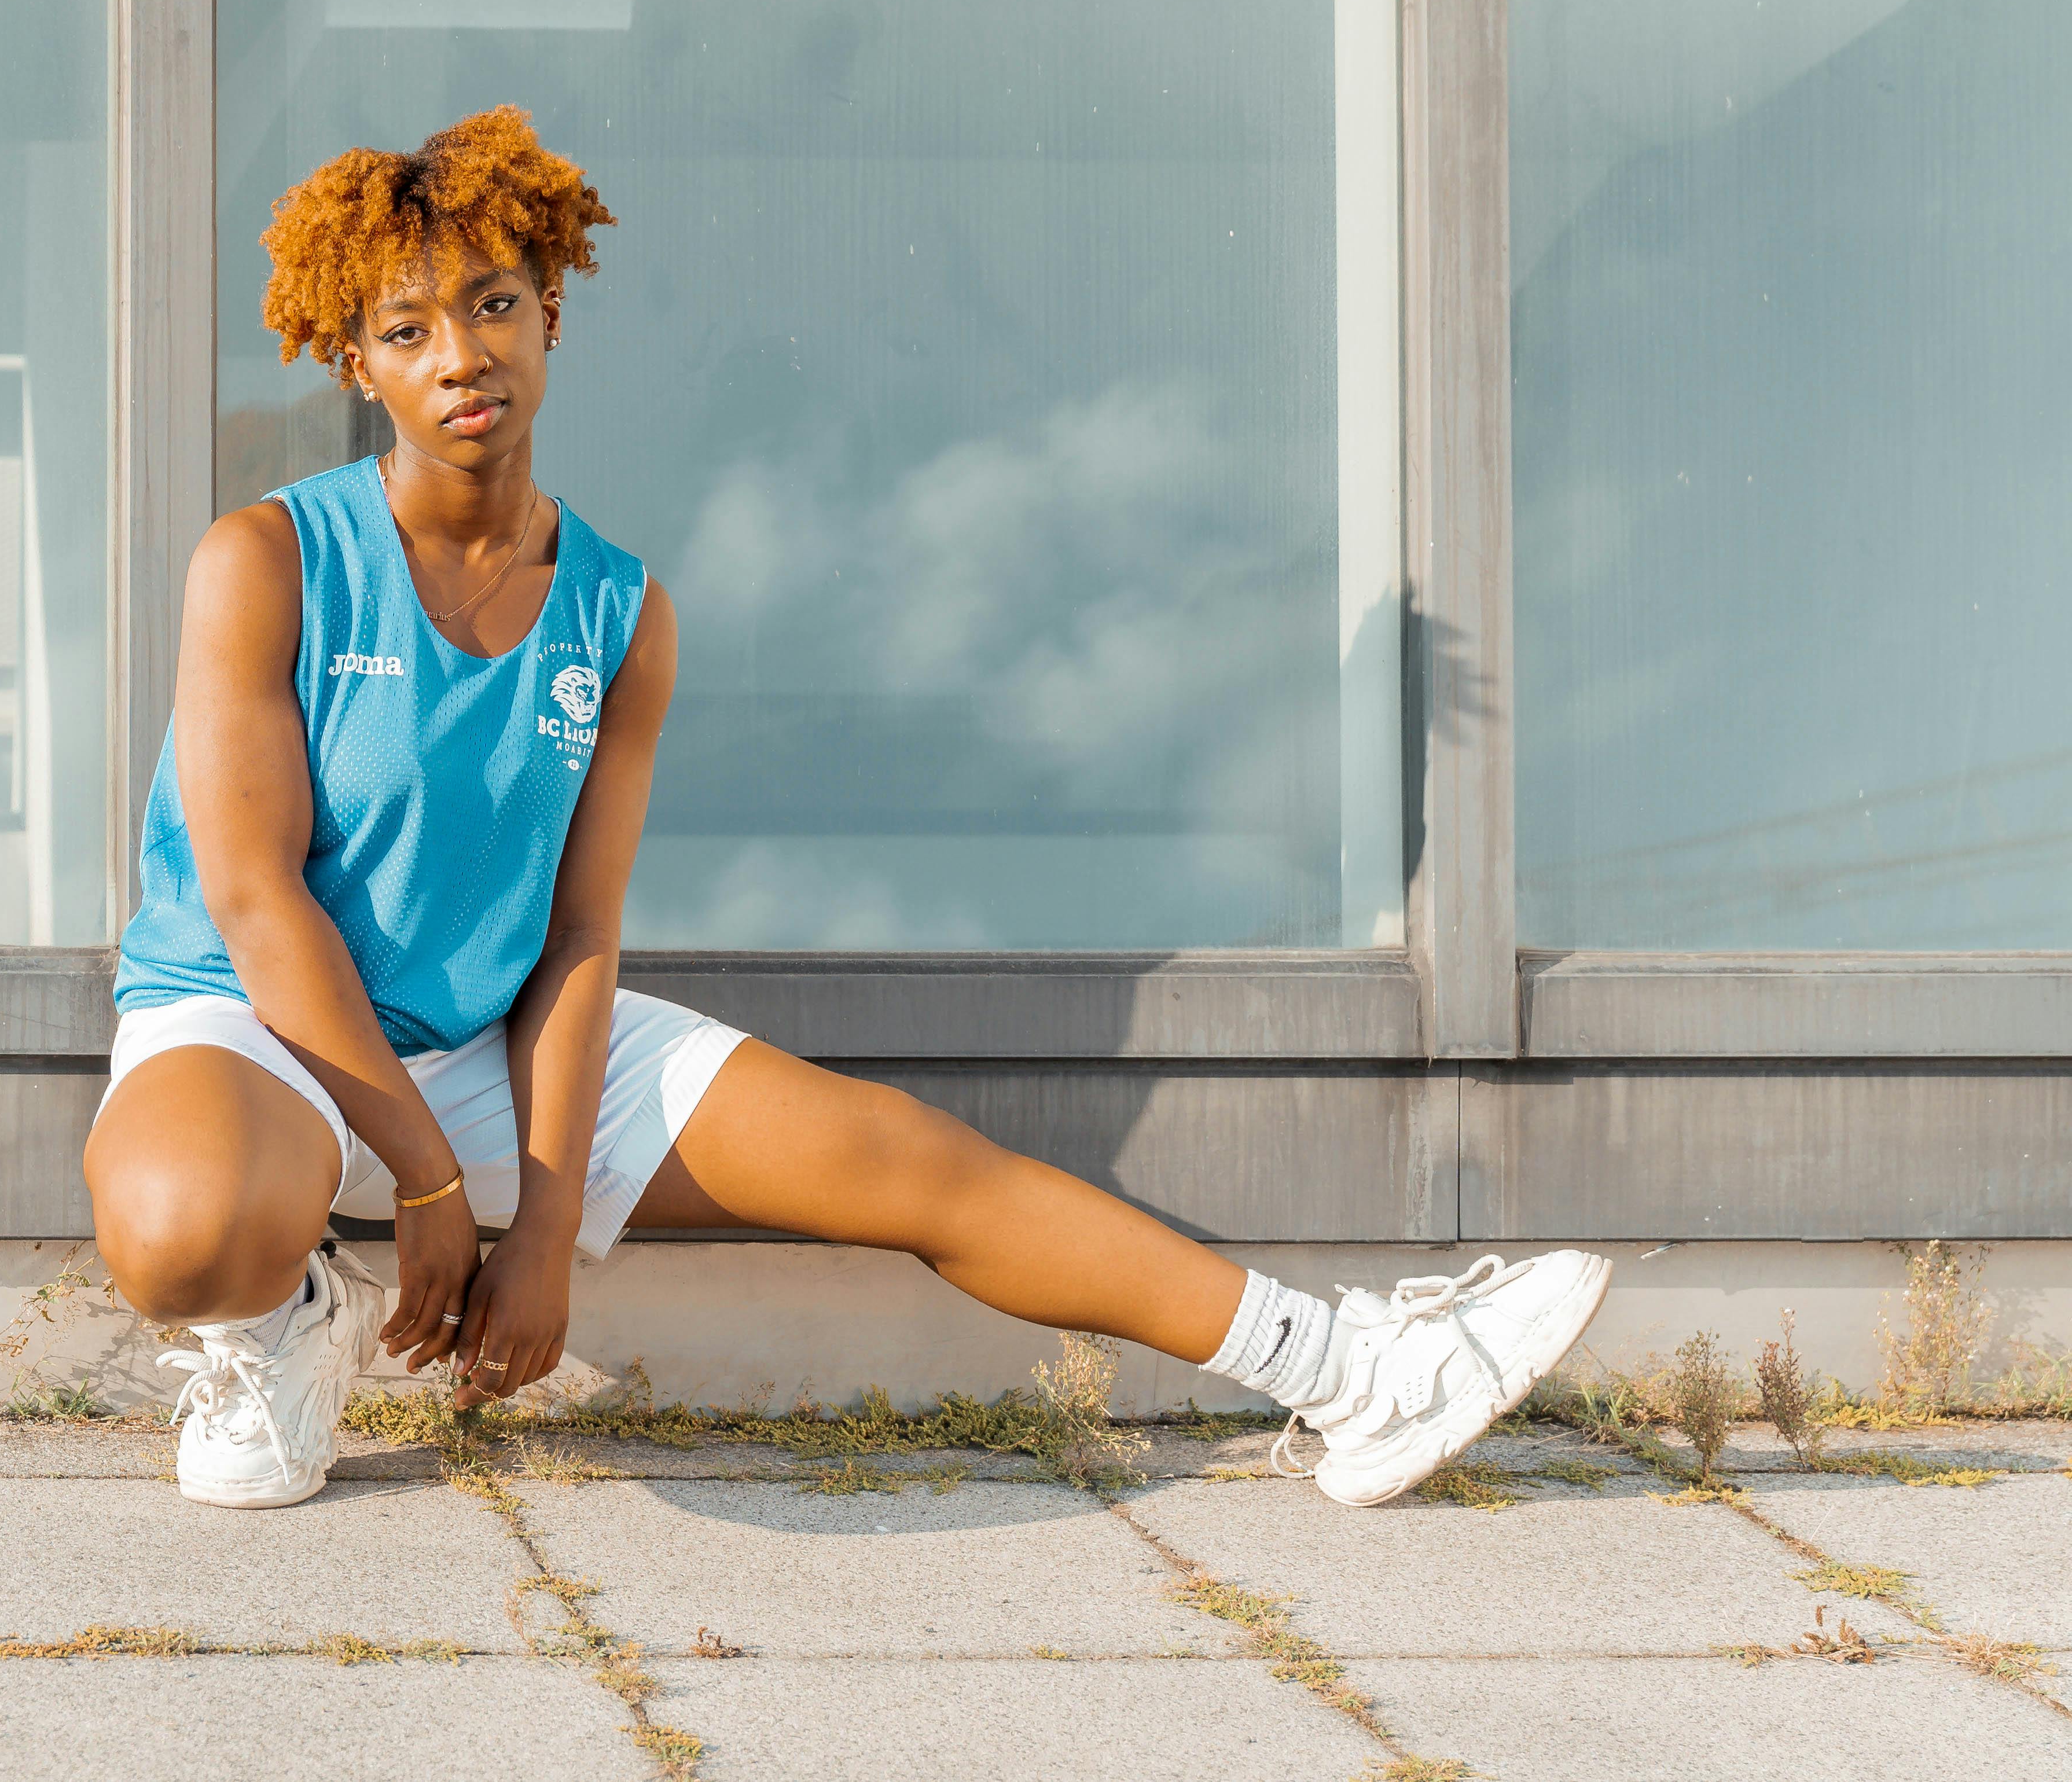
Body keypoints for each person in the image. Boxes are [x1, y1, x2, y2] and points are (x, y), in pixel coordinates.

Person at [85, 107, 1610, 1512]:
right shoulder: (269, 559)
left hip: (483, 1041)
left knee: (907, 1157)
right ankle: (287, 1318)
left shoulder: (618, 609)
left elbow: (579, 930)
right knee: (179, 1222)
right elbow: (255, 902)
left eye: (492, 302)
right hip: (259, 1031)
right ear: (360, 363)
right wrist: (425, 1181)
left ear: (552, 307)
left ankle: (1355, 1370)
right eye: (408, 329)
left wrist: (544, 1219)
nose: (461, 354)